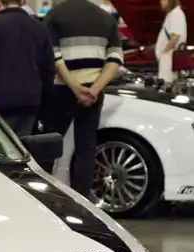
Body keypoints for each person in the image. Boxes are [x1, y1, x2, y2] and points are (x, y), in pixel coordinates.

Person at [43, 0, 123, 197]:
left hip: (61, 90)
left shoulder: (55, 15)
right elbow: (115, 58)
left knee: (48, 146)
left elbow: (53, 55)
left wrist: (75, 87)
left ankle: (43, 196)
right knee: (86, 149)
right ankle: (82, 200)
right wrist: (95, 88)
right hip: (93, 93)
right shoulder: (106, 18)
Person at [0, 0, 55, 137]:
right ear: (22, 1)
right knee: (22, 146)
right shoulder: (39, 28)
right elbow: (48, 71)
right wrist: (43, 107)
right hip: (28, 105)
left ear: (0, 2)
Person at [156, 0, 188, 83]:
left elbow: (175, 36)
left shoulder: (176, 14)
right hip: (167, 58)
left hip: (169, 58)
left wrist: (165, 52)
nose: (160, 2)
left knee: (167, 84)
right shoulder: (171, 14)